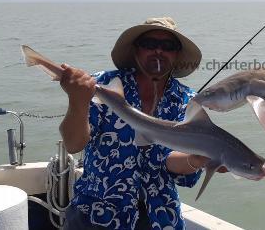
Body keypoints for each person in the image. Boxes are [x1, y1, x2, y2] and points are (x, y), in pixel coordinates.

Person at [59, 17, 210, 230]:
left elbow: (173, 166)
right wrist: (77, 100)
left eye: (168, 46)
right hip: (97, 215)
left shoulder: (188, 102)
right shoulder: (103, 85)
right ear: (135, 50)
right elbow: (73, 144)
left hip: (159, 218)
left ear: (176, 55)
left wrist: (196, 159)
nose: (158, 51)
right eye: (149, 44)